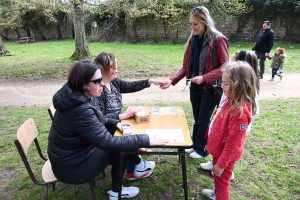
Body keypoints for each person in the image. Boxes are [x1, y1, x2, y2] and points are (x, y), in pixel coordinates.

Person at [47, 60, 169, 200]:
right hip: (71, 168)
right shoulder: (80, 109)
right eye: (97, 81)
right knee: (120, 148)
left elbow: (98, 118)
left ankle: (135, 168)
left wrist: (116, 123)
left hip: (75, 156)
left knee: (122, 138)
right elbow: (108, 143)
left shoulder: (80, 95)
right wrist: (146, 139)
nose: (102, 84)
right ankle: (117, 192)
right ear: (83, 84)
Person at [161, 6, 229, 159]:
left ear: (205, 22)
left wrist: (205, 77)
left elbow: (225, 66)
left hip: (211, 87)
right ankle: (194, 145)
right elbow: (186, 67)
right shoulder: (193, 41)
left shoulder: (218, 39)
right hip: (195, 87)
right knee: (197, 119)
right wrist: (171, 81)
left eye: (195, 24)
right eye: (190, 24)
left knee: (204, 120)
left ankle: (202, 149)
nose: (192, 27)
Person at [94, 52, 164, 180]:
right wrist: (123, 115)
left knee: (137, 128)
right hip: (109, 128)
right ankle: (134, 169)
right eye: (113, 68)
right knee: (130, 136)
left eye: (116, 67)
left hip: (118, 122)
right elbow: (101, 118)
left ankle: (136, 161)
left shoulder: (113, 82)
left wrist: (151, 81)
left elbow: (131, 86)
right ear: (102, 69)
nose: (116, 71)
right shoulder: (98, 89)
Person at [200, 50, 260, 180]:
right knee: (219, 181)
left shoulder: (240, 111)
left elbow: (234, 141)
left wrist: (221, 164)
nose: (222, 86)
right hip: (220, 147)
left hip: (224, 153)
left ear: (239, 85)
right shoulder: (231, 100)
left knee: (222, 183)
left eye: (226, 84)